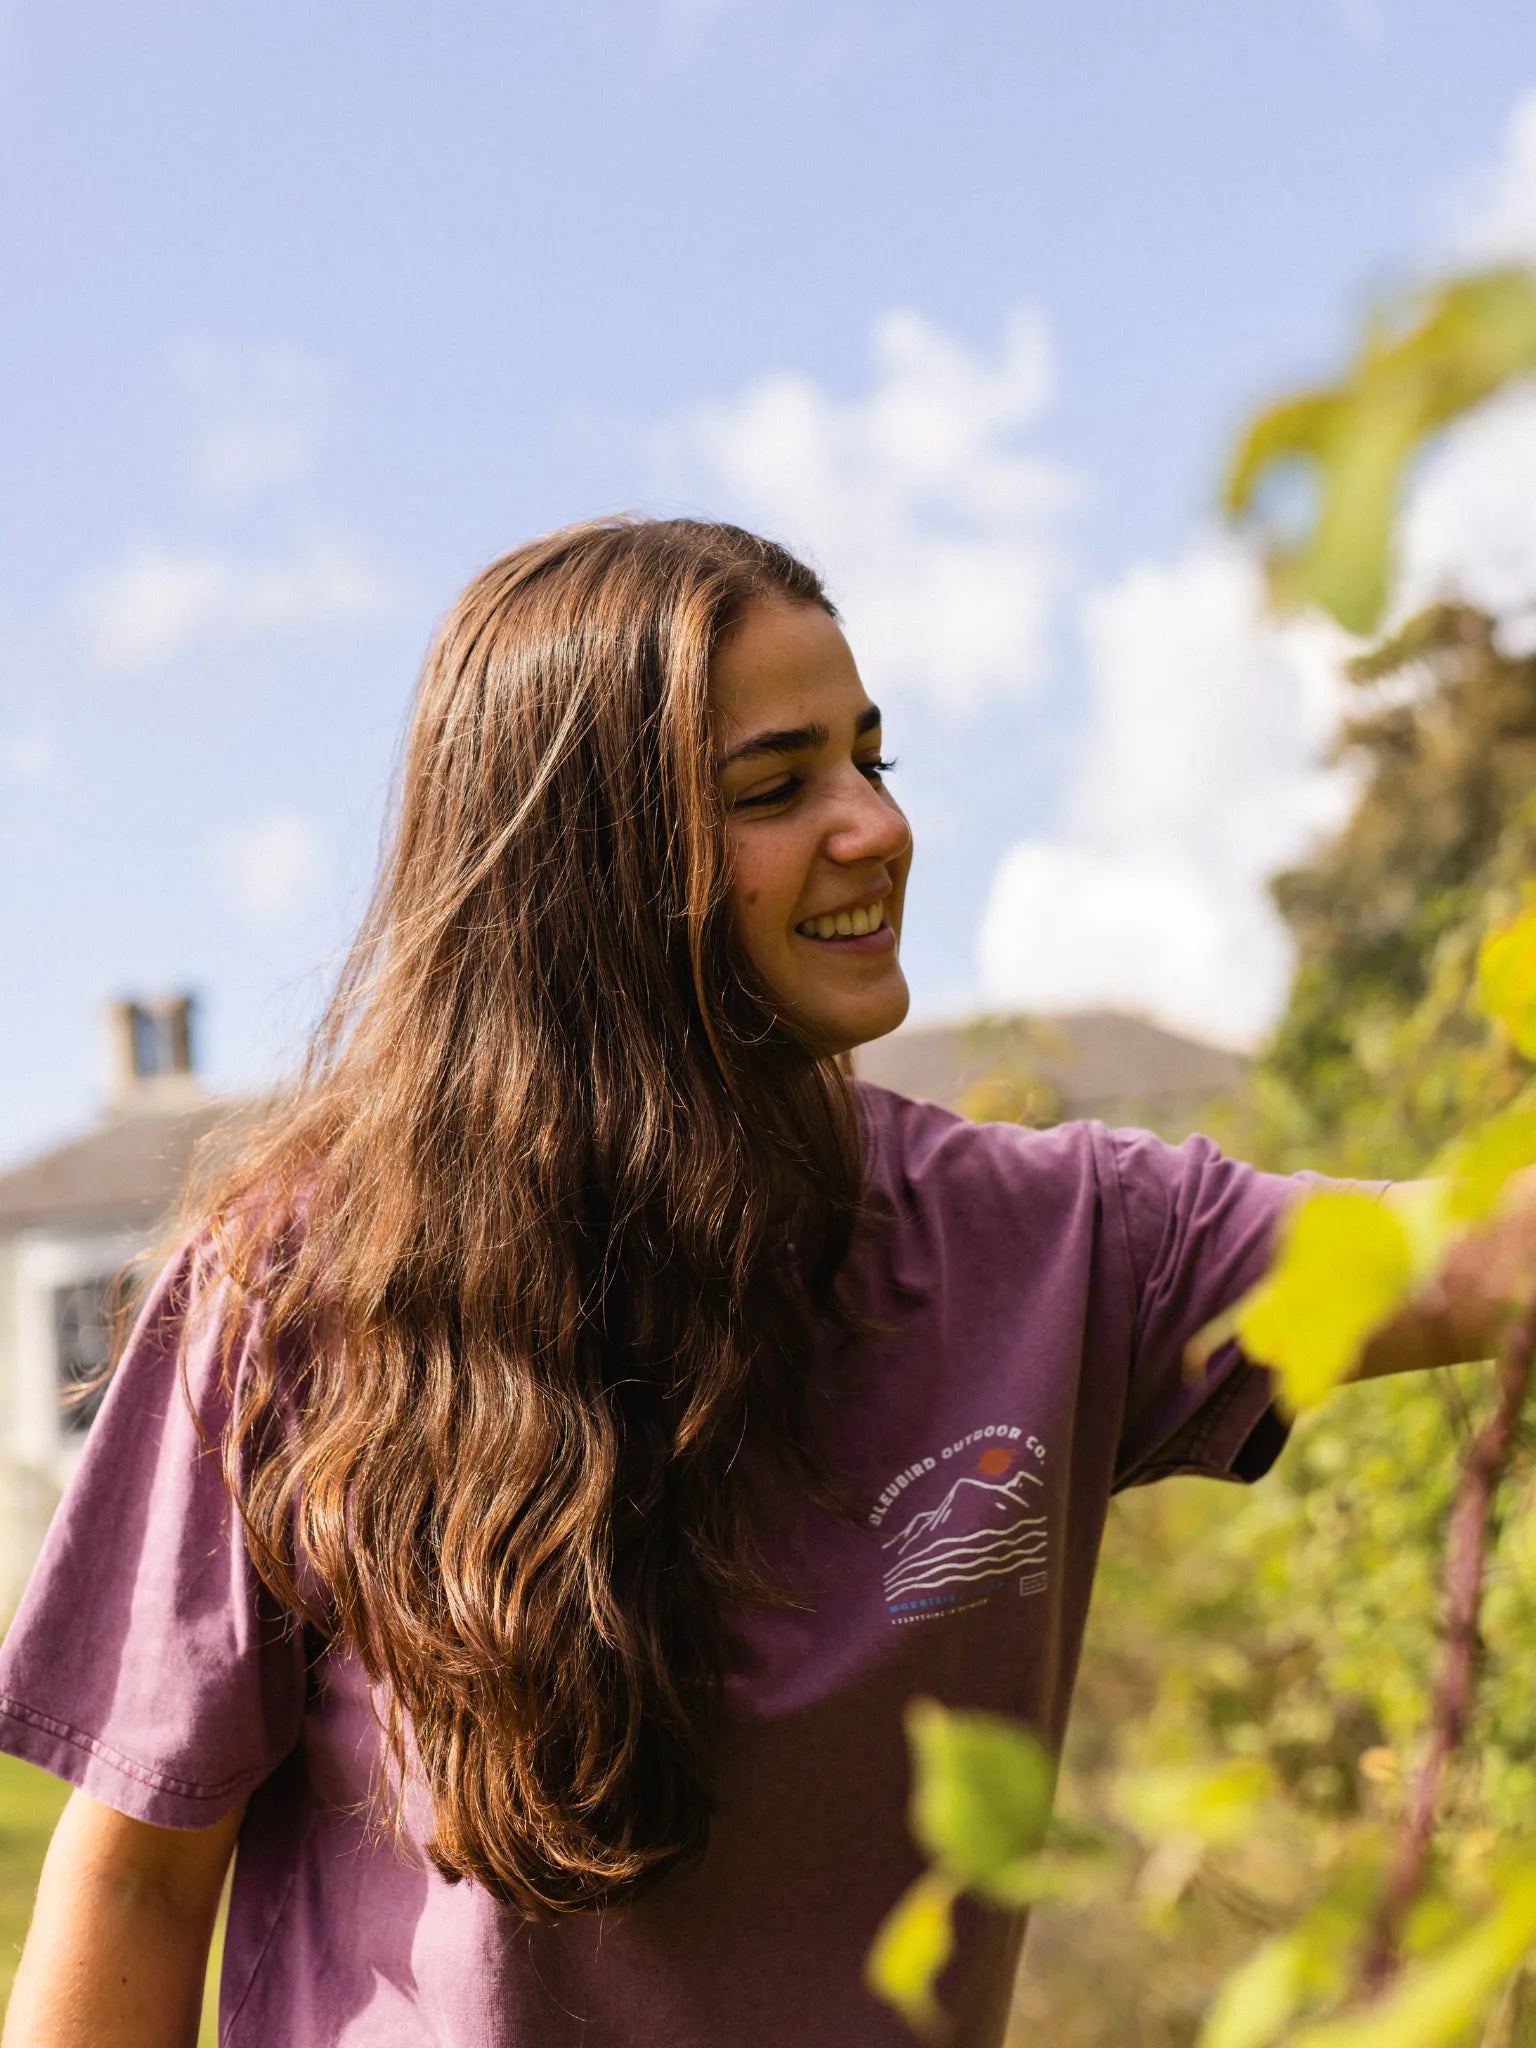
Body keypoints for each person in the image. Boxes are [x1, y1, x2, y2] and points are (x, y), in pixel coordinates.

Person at [0, 518, 1522, 2048]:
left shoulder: (1057, 1243)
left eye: (875, 759)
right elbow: (135, 1883)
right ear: (583, 865)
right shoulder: (296, 1293)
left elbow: (1483, 1258)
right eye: (776, 789)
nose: (875, 826)